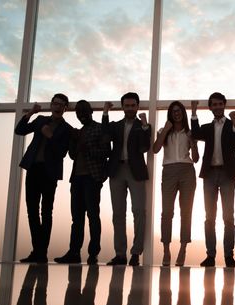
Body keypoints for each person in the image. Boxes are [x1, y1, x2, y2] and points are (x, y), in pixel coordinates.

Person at [15, 93, 72, 263]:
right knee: (31, 210)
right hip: (33, 169)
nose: (57, 106)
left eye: (61, 104)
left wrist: (50, 136)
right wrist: (30, 113)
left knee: (46, 212)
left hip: (50, 173)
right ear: (51, 105)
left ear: (65, 108)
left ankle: (41, 252)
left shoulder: (67, 129)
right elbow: (19, 130)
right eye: (55, 103)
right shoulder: (40, 120)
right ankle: (38, 251)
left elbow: (62, 153)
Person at [54, 100, 110, 265]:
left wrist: (89, 150)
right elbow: (72, 155)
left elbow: (107, 151)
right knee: (76, 218)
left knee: (93, 216)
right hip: (77, 178)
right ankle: (74, 253)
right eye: (79, 114)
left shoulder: (100, 128)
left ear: (91, 111)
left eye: (84, 112)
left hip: (92, 178)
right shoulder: (78, 132)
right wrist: (74, 143)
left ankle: (93, 254)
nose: (81, 116)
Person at [191, 92, 235, 268]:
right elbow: (195, 133)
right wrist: (194, 111)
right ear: (211, 107)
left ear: (224, 105)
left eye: (220, 103)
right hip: (210, 175)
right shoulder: (207, 127)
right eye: (214, 104)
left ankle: (229, 256)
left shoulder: (232, 124)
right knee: (209, 217)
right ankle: (210, 256)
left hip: (228, 175)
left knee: (228, 217)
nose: (218, 106)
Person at [102, 92, 151, 266]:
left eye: (133, 105)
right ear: (122, 107)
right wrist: (106, 112)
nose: (130, 108)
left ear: (137, 107)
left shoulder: (143, 125)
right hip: (116, 170)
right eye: (127, 105)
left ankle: (136, 253)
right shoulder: (115, 125)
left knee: (139, 211)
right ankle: (120, 254)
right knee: (118, 214)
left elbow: (145, 147)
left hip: (135, 170)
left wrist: (145, 126)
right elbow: (104, 133)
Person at [153, 101, 199, 266]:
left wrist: (193, 144)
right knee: (167, 212)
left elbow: (195, 158)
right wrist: (165, 129)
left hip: (187, 171)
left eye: (179, 111)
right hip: (169, 171)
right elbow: (155, 149)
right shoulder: (164, 131)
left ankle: (183, 249)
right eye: (174, 111)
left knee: (186, 211)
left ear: (183, 113)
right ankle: (166, 250)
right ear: (170, 114)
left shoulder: (189, 132)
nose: (177, 113)